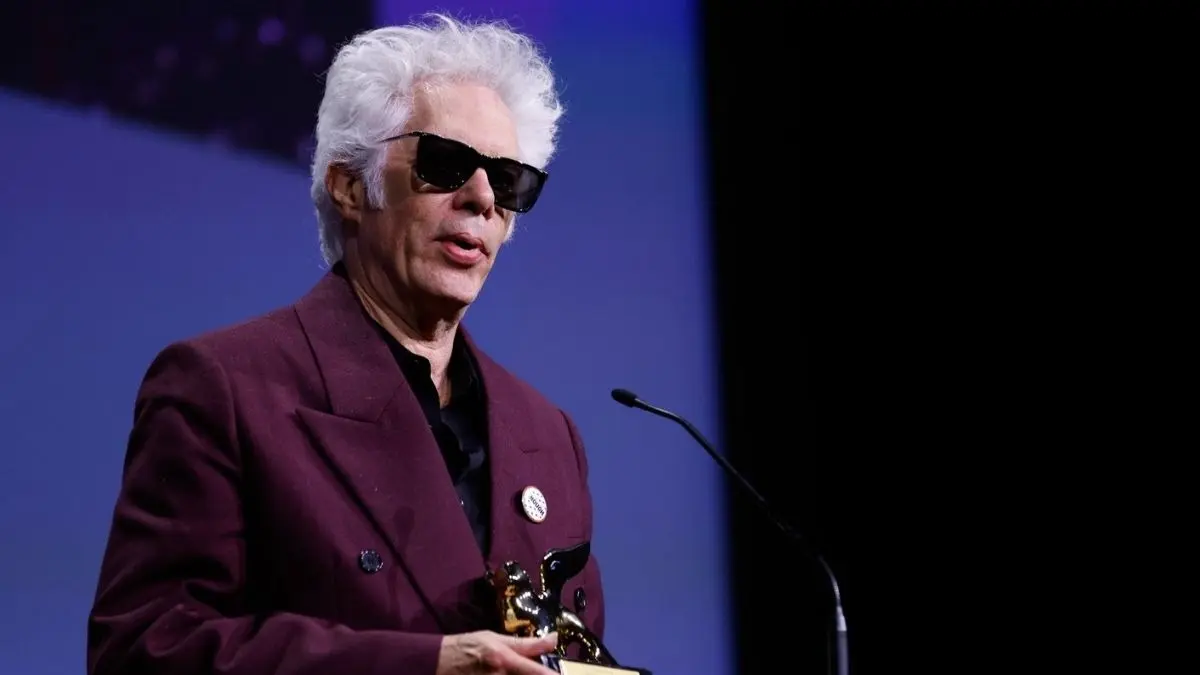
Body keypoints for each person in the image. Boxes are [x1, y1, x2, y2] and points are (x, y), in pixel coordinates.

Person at [86, 13, 605, 675]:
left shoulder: (549, 435)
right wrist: (424, 666)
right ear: (351, 185)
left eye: (507, 181)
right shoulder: (223, 389)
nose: (480, 198)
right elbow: (145, 651)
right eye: (446, 164)